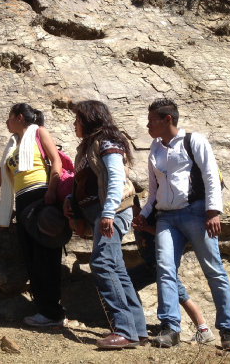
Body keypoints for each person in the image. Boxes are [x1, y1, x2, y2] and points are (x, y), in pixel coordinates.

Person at [134, 98, 230, 351]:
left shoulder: (195, 141)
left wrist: (212, 212)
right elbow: (153, 191)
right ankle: (170, 328)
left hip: (196, 213)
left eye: (152, 120)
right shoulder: (155, 149)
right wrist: (145, 212)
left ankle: (228, 331)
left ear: (167, 119)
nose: (148, 125)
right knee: (165, 269)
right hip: (166, 218)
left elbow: (211, 176)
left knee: (213, 270)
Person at [0, 103, 67, 327]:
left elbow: (56, 161)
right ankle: (47, 310)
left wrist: (52, 190)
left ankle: (53, 313)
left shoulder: (39, 132)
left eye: (9, 117)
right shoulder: (13, 145)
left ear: (19, 117)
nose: (6, 122)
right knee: (31, 258)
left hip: (42, 197)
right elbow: (0, 177)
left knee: (46, 257)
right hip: (23, 201)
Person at [63, 100, 147, 349]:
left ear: (89, 119)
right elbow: (85, 183)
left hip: (113, 212)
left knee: (102, 263)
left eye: (77, 120)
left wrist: (109, 212)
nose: (74, 124)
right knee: (117, 268)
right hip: (101, 214)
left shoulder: (108, 140)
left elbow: (116, 178)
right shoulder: (86, 148)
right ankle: (138, 330)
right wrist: (71, 199)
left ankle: (124, 330)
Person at [130, 197, 215, 344]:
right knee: (127, 282)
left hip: (163, 266)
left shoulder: (148, 216)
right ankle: (134, 323)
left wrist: (144, 227)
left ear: (136, 205)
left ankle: (204, 330)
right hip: (149, 265)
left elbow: (162, 232)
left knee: (181, 295)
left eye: (131, 207)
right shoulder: (133, 220)